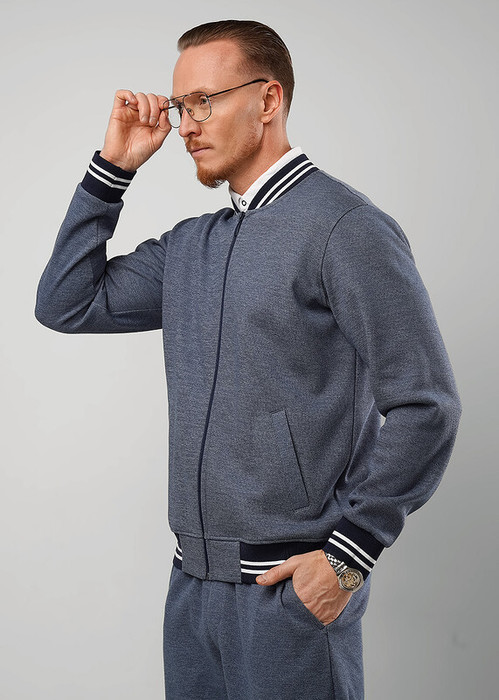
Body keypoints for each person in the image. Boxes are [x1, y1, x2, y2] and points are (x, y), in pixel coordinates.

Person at [35, 19, 462, 700]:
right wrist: (112, 171)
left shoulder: (345, 229)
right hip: (193, 590)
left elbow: (425, 404)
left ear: (268, 99)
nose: (185, 126)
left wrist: (348, 557)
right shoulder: (190, 247)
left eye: (204, 101)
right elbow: (65, 302)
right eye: (181, 106)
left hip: (286, 595)